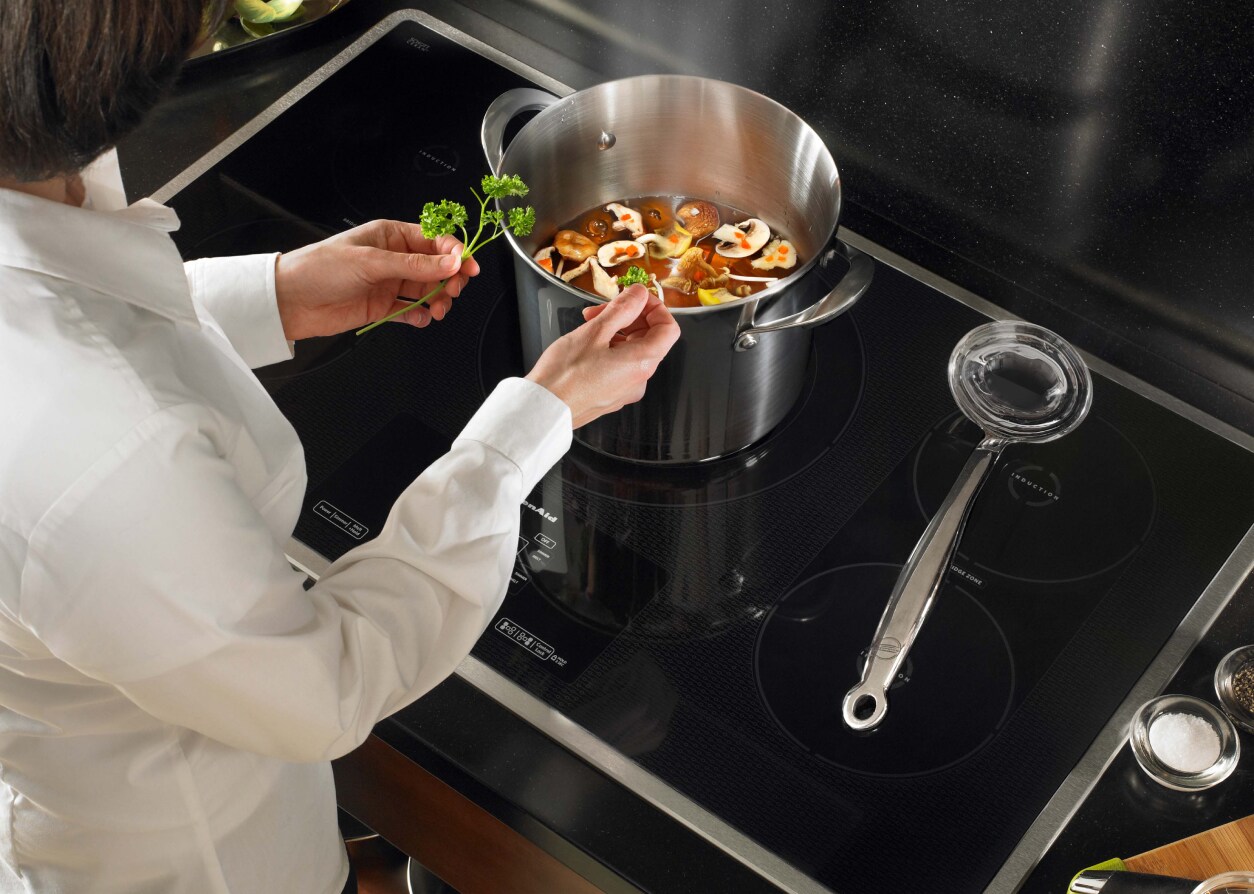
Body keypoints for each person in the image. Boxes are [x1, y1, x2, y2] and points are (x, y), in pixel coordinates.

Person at [0, 2, 680, 892]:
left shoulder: (32, 160)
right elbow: (325, 690)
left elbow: (68, 309)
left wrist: (272, 296)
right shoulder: (102, 462)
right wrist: (535, 421)